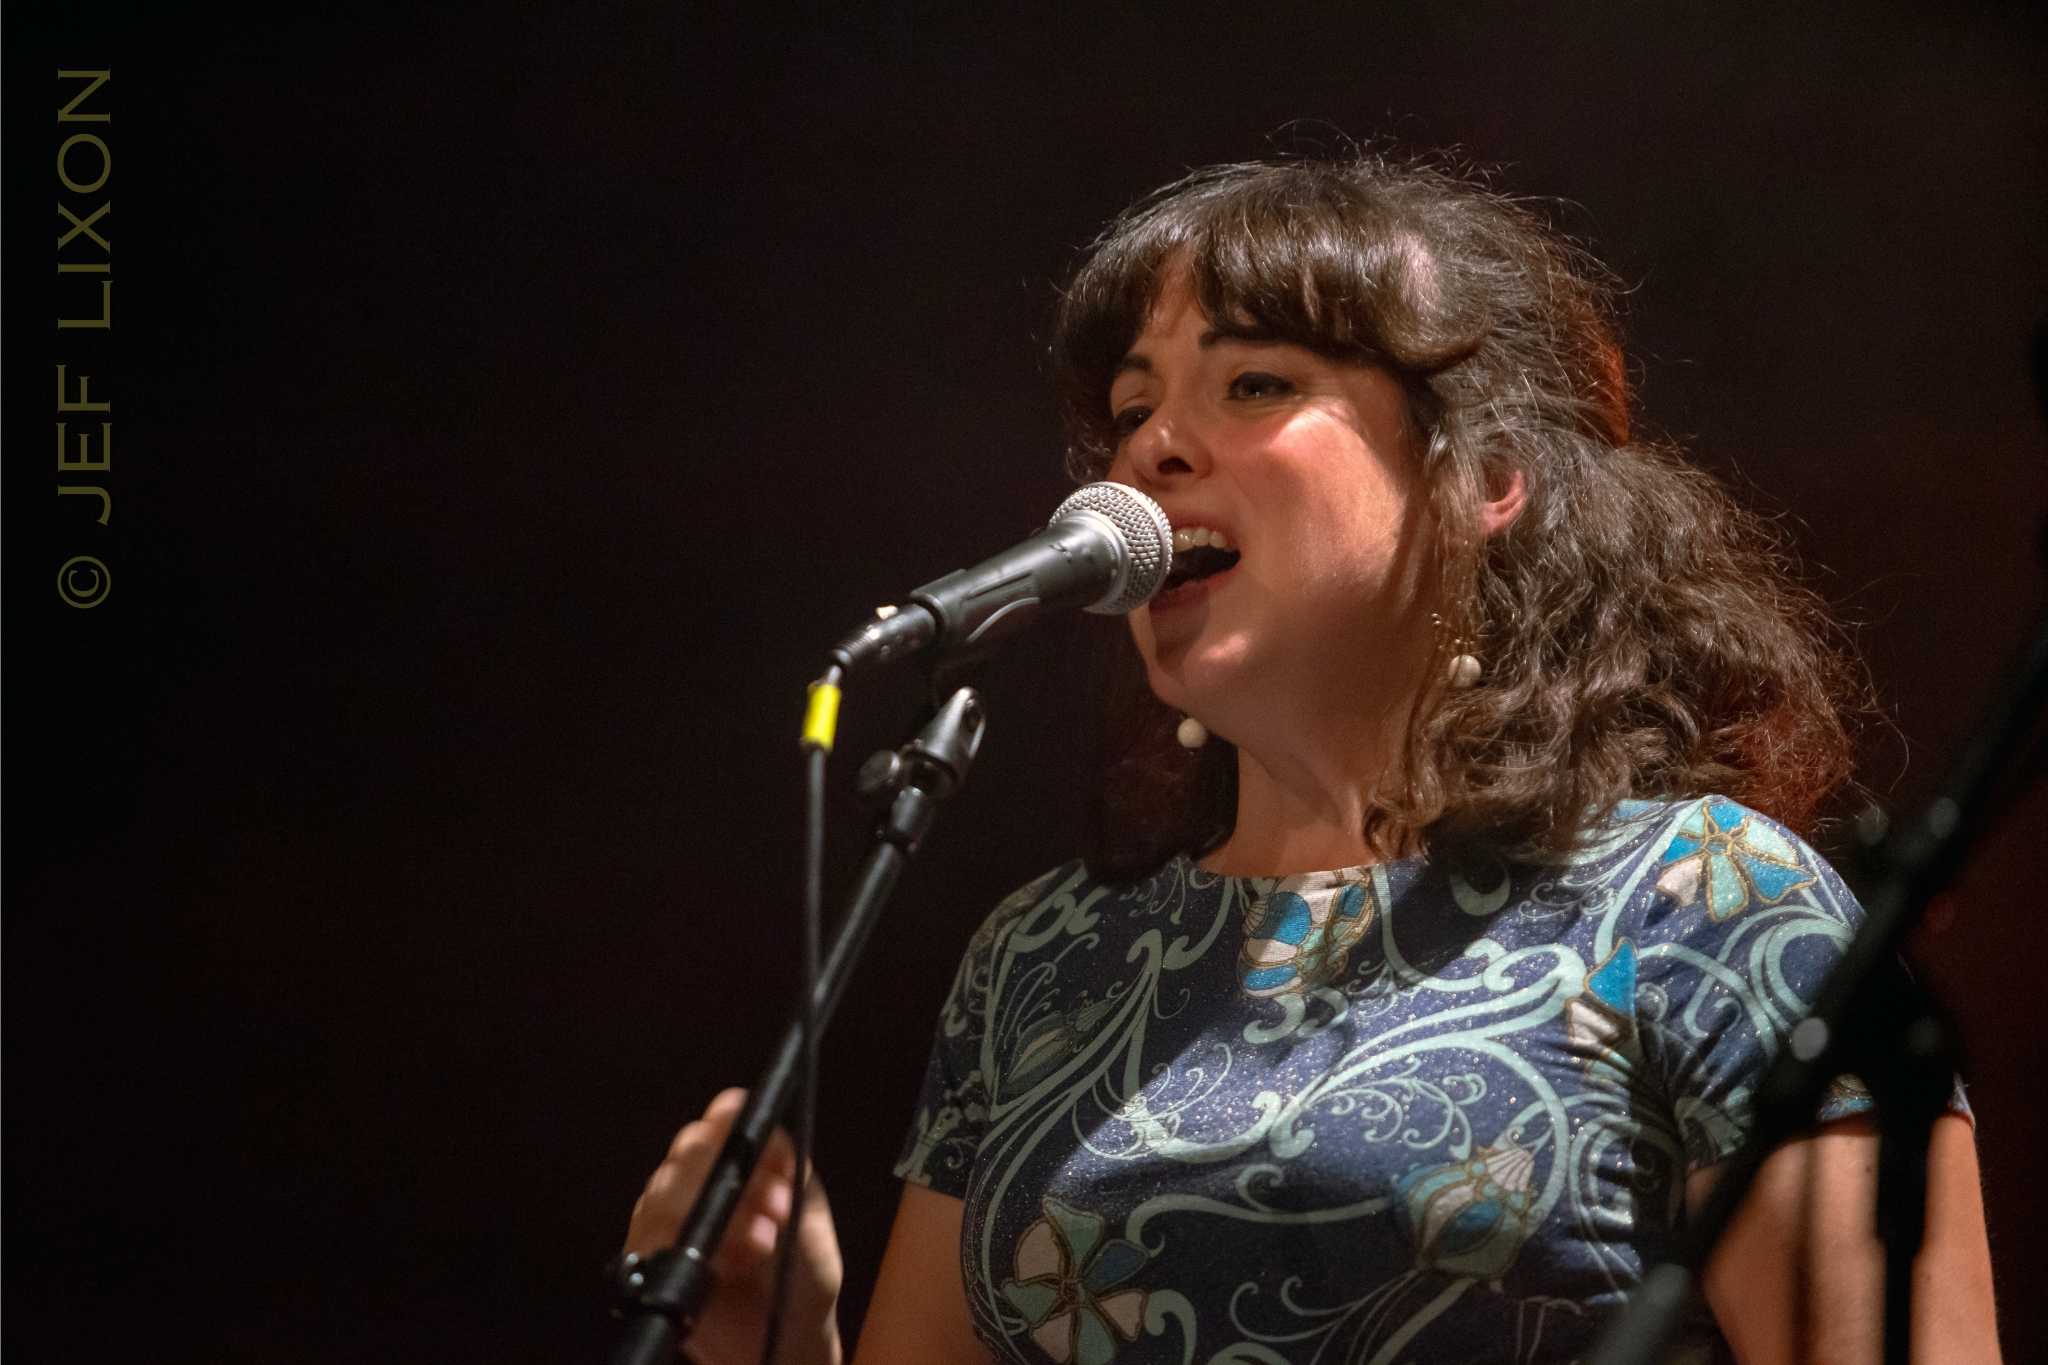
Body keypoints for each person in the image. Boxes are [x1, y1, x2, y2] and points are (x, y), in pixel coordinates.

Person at [624, 154, 2002, 1364]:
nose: (1153, 447)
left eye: (1257, 381)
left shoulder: (1702, 905)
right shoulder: (1041, 962)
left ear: (1484, 478)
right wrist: (780, 1342)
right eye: (1130, 404)